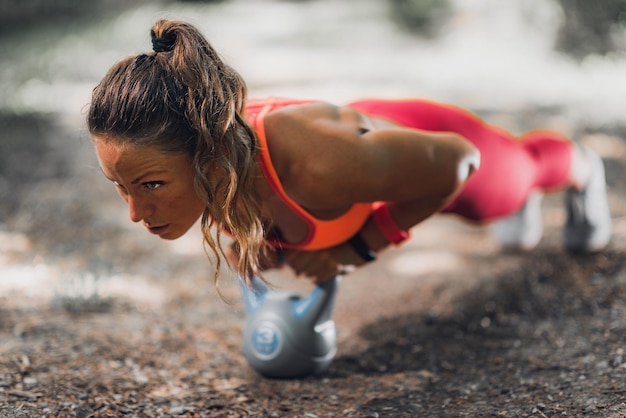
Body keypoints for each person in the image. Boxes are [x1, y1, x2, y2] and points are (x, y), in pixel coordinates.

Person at [87, 19, 612, 288]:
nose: (134, 213)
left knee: (503, 187)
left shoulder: (322, 166)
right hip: (363, 145)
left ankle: (579, 165)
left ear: (209, 157)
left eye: (151, 185)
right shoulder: (216, 155)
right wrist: (269, 243)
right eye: (121, 186)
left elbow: (458, 160)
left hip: (422, 146)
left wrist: (356, 249)